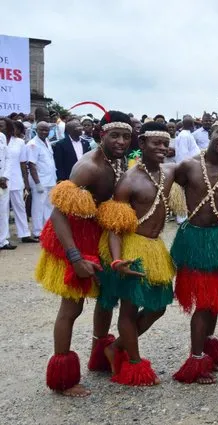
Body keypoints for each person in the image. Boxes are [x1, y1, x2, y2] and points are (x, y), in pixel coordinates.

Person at [35, 109, 132, 396]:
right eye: (115, 135)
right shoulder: (88, 166)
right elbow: (57, 214)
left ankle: (100, 357)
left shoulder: (118, 160)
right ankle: (62, 379)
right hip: (73, 239)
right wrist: (75, 257)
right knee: (72, 307)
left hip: (98, 236)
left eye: (126, 136)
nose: (121, 141)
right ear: (102, 135)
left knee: (104, 301)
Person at [97, 121, 176, 386]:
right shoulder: (129, 181)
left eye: (165, 143)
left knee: (159, 306)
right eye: (156, 143)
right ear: (141, 144)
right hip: (132, 248)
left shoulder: (168, 171)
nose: (162, 148)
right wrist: (118, 260)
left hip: (155, 248)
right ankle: (133, 363)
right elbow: (114, 228)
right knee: (129, 311)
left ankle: (116, 347)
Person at [171, 118, 218, 384]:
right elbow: (161, 182)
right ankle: (196, 359)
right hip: (196, 242)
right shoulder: (188, 166)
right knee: (203, 302)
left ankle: (207, 347)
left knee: (214, 301)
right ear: (209, 133)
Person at [0, 119, 37, 248]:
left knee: (20, 207)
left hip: (15, 178)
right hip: (2, 181)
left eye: (3, 126)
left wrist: (26, 182)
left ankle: (25, 234)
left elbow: (22, 163)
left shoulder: (20, 142)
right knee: (3, 210)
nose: (1, 128)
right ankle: (3, 238)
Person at [27, 122, 57, 238]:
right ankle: (37, 232)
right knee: (38, 207)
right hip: (40, 181)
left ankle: (48, 230)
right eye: (42, 130)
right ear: (36, 130)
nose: (44, 132)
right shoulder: (33, 144)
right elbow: (32, 164)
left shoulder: (47, 142)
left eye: (46, 130)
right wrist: (37, 183)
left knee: (49, 206)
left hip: (50, 179)